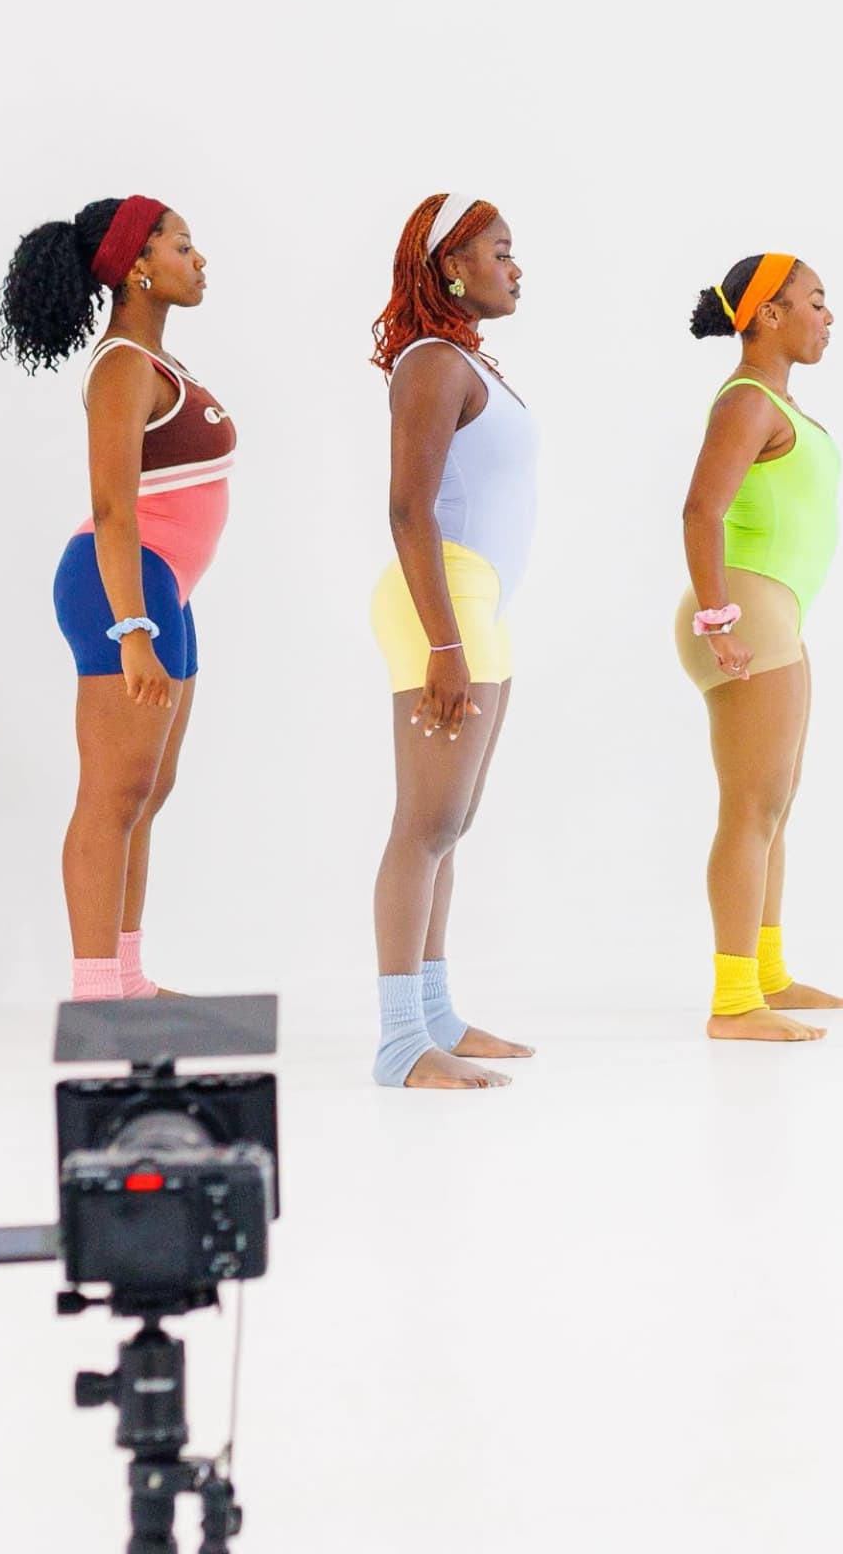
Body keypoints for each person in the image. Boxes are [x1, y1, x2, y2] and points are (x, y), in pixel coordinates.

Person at [2, 194, 231, 1004]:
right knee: (112, 792)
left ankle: (127, 982)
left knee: (147, 792)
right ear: (137, 265)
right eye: (182, 246)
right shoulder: (123, 365)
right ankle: (96, 995)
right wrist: (132, 628)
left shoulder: (159, 362)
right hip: (120, 586)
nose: (198, 260)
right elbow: (112, 507)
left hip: (164, 588)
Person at [364, 195, 544, 1090]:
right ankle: (400, 1045)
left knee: (453, 823)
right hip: (442, 604)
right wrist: (444, 645)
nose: (516, 268)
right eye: (500, 252)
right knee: (424, 823)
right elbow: (408, 509)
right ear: (452, 267)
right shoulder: (431, 363)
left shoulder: (467, 361)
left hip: (477, 604)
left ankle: (437, 1016)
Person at [676, 252, 843, 1042]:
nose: (828, 316)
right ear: (769, 315)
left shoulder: (775, 402)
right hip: (742, 611)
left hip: (773, 614)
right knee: (750, 808)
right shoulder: (747, 399)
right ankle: (734, 1001)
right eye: (814, 300)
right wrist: (718, 618)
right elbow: (700, 511)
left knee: (773, 807)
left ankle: (767, 975)